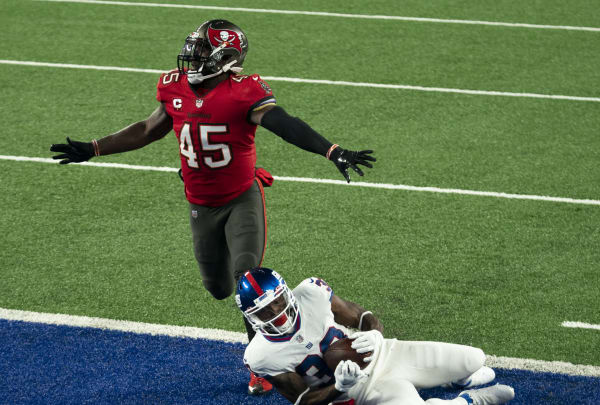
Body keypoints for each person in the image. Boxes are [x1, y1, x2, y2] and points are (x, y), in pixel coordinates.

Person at [50, 19, 376, 395]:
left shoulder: (244, 91)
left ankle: (267, 364)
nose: (193, 55)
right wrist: (95, 148)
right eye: (195, 47)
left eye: (203, 50)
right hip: (200, 203)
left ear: (225, 57)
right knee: (218, 287)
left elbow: (284, 123)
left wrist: (331, 150)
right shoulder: (174, 85)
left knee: (247, 279)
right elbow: (148, 128)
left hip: (241, 197)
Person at [237, 267, 516, 405]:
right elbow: (302, 401)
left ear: (287, 292)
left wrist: (375, 335)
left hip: (384, 354)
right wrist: (339, 387)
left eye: (278, 301)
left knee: (475, 358)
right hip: (359, 391)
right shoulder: (261, 354)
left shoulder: (310, 292)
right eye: (265, 311)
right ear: (252, 318)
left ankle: (458, 378)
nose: (278, 312)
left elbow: (360, 315)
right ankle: (465, 401)